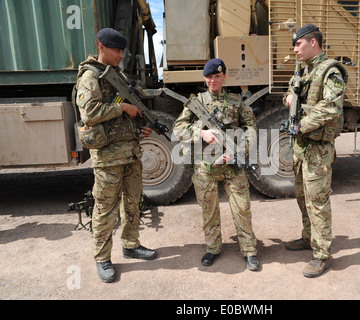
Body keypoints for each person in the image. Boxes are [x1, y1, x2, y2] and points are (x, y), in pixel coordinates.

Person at [75, 28, 157, 283]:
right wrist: (122, 107)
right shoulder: (90, 76)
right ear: (101, 47)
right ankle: (102, 258)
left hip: (130, 153)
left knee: (132, 204)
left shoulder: (117, 75)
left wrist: (142, 127)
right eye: (116, 50)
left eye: (122, 50)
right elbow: (89, 112)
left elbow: (130, 114)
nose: (121, 55)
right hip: (108, 156)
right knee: (105, 209)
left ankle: (131, 245)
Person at [173, 59, 259, 271]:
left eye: (217, 77)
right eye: (209, 77)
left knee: (242, 210)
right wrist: (201, 133)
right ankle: (213, 248)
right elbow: (178, 128)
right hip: (205, 167)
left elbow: (251, 127)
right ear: (205, 78)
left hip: (232, 166)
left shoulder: (237, 101)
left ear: (224, 76)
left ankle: (249, 251)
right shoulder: (197, 102)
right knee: (209, 211)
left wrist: (240, 151)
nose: (213, 81)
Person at [283, 24, 348, 277]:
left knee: (318, 202)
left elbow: (332, 106)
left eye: (298, 44)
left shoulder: (329, 71)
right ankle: (308, 237)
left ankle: (322, 255)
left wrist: (301, 126)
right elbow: (291, 93)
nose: (295, 49)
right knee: (302, 197)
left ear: (312, 42)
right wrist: (288, 99)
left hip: (318, 149)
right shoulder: (304, 70)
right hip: (301, 147)